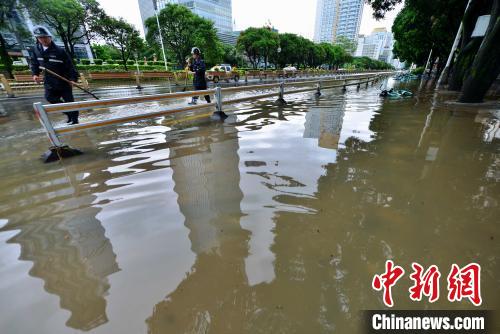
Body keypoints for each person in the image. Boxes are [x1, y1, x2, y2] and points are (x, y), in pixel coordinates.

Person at [30, 26, 80, 124]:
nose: (43, 39)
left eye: (45, 37)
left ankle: (75, 120)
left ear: (50, 37)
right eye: (41, 38)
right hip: (49, 81)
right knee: (50, 98)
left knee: (70, 101)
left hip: (63, 81)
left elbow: (70, 66)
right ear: (37, 38)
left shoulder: (60, 51)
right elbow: (34, 63)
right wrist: (35, 74)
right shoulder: (36, 50)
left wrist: (73, 78)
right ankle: (70, 114)